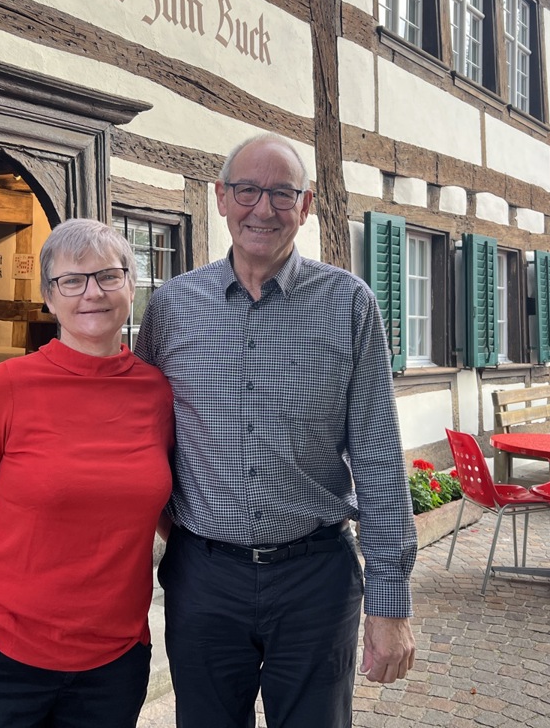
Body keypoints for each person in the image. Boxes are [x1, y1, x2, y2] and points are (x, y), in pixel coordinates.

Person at [134, 133, 417, 727]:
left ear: (305, 205)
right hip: (204, 579)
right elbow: (143, 436)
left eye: (281, 194)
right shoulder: (172, 307)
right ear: (220, 198)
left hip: (316, 580)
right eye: (246, 190)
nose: (262, 208)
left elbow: (379, 460)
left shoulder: (349, 304)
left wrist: (388, 604)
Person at [0, 218, 174, 728]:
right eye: (72, 280)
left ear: (131, 286)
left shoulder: (157, 394)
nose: (92, 292)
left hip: (112, 662)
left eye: (108, 276)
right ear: (50, 297)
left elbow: (168, 509)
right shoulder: (9, 385)